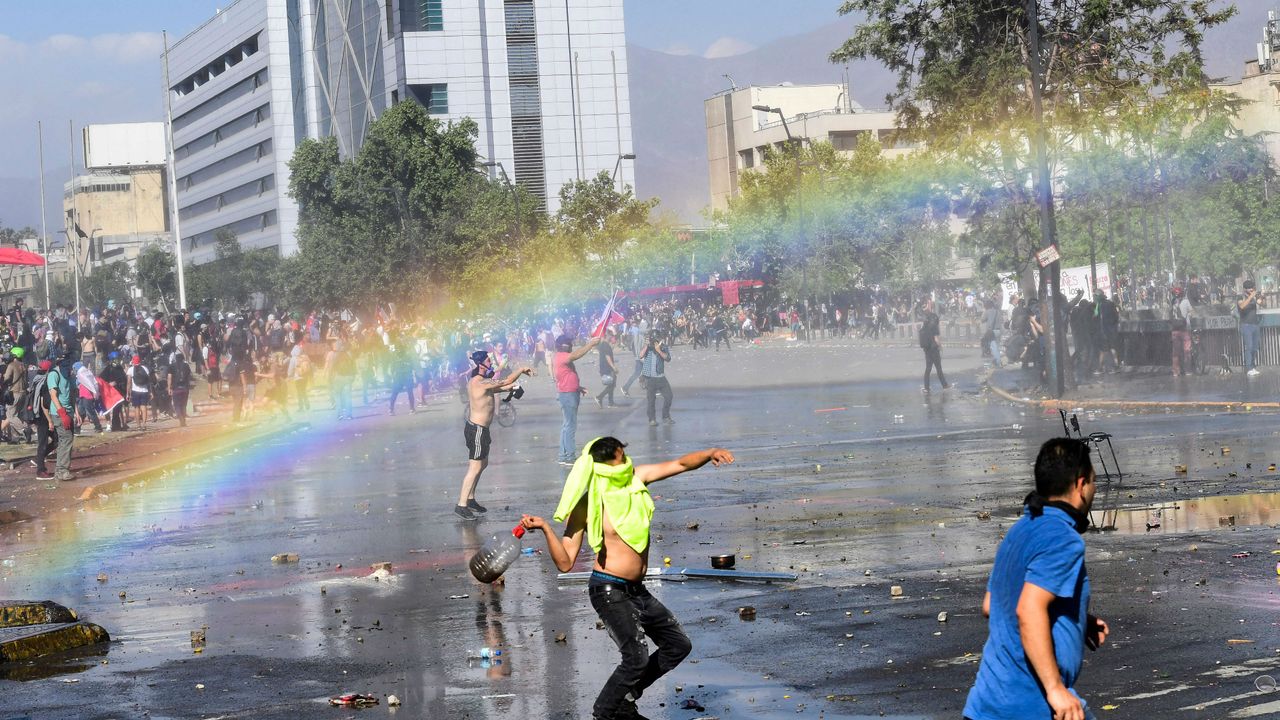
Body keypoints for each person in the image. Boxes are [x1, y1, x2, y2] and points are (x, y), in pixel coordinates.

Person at [520, 437, 735, 720]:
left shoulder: (636, 479)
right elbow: (564, 562)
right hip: (608, 590)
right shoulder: (589, 502)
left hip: (636, 590)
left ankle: (626, 698)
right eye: (621, 457)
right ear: (611, 460)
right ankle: (605, 711)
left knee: (677, 645)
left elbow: (681, 464)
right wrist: (546, 528)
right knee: (635, 658)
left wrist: (710, 452)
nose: (625, 462)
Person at [963, 437, 1108, 720]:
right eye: (1092, 481)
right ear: (1080, 485)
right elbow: (1028, 609)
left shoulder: (1022, 529)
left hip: (988, 704)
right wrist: (1055, 689)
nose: (1093, 489)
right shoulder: (1063, 538)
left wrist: (1075, 617)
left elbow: (992, 604)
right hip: (1030, 705)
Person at [454, 350, 533, 520]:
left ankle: (470, 499)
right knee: (475, 467)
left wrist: (512, 387)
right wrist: (520, 370)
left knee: (483, 464)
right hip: (477, 430)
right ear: (480, 364)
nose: (491, 363)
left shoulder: (483, 382)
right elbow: (505, 380)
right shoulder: (478, 382)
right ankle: (461, 505)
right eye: (488, 361)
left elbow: (501, 386)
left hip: (482, 430)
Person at [553, 333, 600, 465]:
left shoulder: (559, 357)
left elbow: (567, 375)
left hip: (569, 392)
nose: (571, 346)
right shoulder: (562, 356)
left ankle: (563, 455)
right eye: (569, 343)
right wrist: (590, 344)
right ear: (563, 345)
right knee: (570, 426)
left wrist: (578, 387)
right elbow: (576, 355)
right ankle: (569, 456)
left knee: (566, 425)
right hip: (567, 395)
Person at [46, 358, 75, 481]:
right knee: (66, 439)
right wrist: (62, 413)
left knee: (65, 440)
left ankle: (60, 470)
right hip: (59, 413)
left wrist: (76, 412)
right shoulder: (54, 374)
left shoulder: (69, 374)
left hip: (69, 411)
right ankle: (63, 470)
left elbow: (72, 394)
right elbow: (53, 395)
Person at [638, 332, 673, 426]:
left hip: (661, 377)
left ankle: (665, 416)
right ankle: (652, 419)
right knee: (651, 400)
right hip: (649, 378)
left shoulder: (663, 347)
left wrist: (659, 350)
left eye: (656, 339)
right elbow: (640, 355)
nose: (655, 342)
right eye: (653, 339)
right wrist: (646, 345)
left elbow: (668, 358)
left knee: (669, 397)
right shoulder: (648, 348)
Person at [1237, 280, 1264, 377]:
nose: (1251, 289)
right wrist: (1250, 297)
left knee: (1255, 347)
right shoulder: (1240, 297)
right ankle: (1248, 368)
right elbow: (1242, 306)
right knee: (1249, 347)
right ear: (1244, 289)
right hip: (1246, 325)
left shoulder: (1253, 297)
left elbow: (1260, 303)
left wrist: (1261, 296)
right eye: (1249, 288)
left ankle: (1253, 367)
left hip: (1255, 324)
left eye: (1252, 288)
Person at [919, 309, 949, 393]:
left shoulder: (924, 325)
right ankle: (945, 385)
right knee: (938, 368)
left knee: (928, 369)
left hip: (927, 349)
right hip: (934, 349)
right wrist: (940, 346)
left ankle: (926, 388)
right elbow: (936, 339)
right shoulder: (934, 326)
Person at [73, 361, 104, 435]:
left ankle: (98, 427)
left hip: (87, 395)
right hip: (83, 395)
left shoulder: (81, 373)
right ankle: (77, 428)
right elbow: (93, 382)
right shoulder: (87, 372)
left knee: (90, 412)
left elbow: (88, 383)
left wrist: (94, 392)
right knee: (81, 413)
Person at [168, 351, 193, 427]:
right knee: (183, 405)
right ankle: (183, 419)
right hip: (185, 388)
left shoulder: (172, 366)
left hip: (176, 388)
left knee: (177, 405)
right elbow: (189, 376)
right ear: (182, 358)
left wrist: (169, 388)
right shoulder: (186, 365)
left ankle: (181, 419)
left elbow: (169, 377)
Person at [127, 355, 151, 430]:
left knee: (136, 408)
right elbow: (149, 381)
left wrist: (128, 393)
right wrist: (151, 392)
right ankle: (144, 424)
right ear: (140, 361)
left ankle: (138, 425)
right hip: (144, 390)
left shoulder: (131, 369)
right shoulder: (145, 368)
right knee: (144, 407)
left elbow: (129, 382)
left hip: (135, 391)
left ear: (133, 361)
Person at [595, 331, 618, 408]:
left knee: (612, 384)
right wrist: (613, 367)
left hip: (605, 367)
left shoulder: (604, 345)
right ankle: (599, 397)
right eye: (611, 336)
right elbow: (607, 357)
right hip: (607, 368)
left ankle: (610, 403)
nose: (612, 337)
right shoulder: (605, 345)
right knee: (611, 384)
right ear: (607, 336)